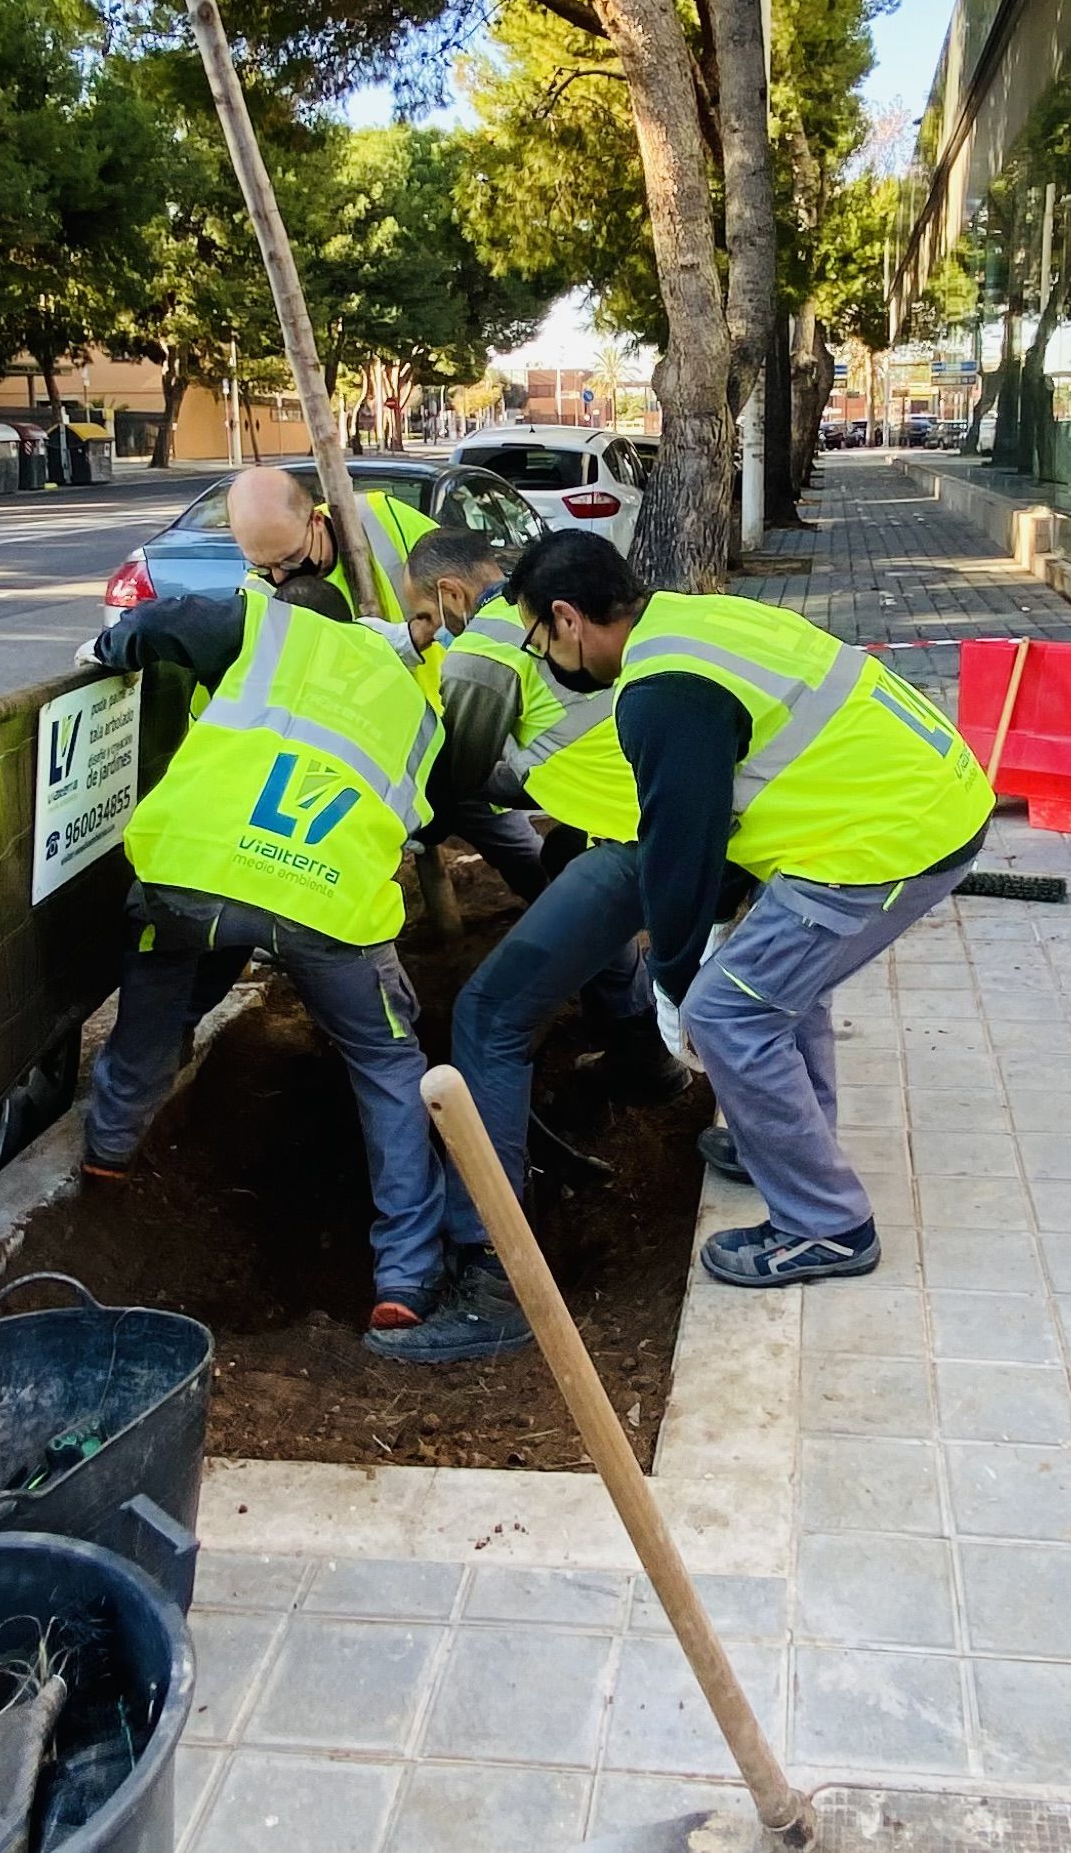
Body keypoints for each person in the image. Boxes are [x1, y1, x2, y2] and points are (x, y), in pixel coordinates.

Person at [80, 469, 522, 1363]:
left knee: (154, 1011)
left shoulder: (260, 626)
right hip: (324, 903)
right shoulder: (419, 695)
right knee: (389, 1067)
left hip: (185, 874)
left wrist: (106, 648)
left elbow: (155, 627)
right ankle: (405, 1282)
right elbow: (443, 804)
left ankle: (107, 1158)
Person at [502, 529, 993, 1286]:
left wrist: (673, 980)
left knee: (729, 1013)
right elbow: (724, 813)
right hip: (901, 806)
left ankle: (826, 1225)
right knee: (777, 989)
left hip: (890, 840)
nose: (547, 661)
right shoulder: (691, 620)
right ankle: (785, 1139)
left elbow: (683, 845)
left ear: (567, 617)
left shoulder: (659, 691)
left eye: (540, 641)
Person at [400, 529, 676, 1308]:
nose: (433, 634)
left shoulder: (486, 646)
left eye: (430, 618)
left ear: (452, 595)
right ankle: (646, 1062)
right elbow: (553, 751)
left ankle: (493, 1273)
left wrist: (404, 806)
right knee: (562, 870)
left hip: (640, 835)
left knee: (489, 1015)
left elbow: (454, 775)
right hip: (646, 818)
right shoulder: (602, 620)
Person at [229, 459, 435, 622]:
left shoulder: (380, 516)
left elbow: (454, 579)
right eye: (261, 566)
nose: (279, 577)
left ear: (316, 521)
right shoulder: (256, 596)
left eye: (290, 559)